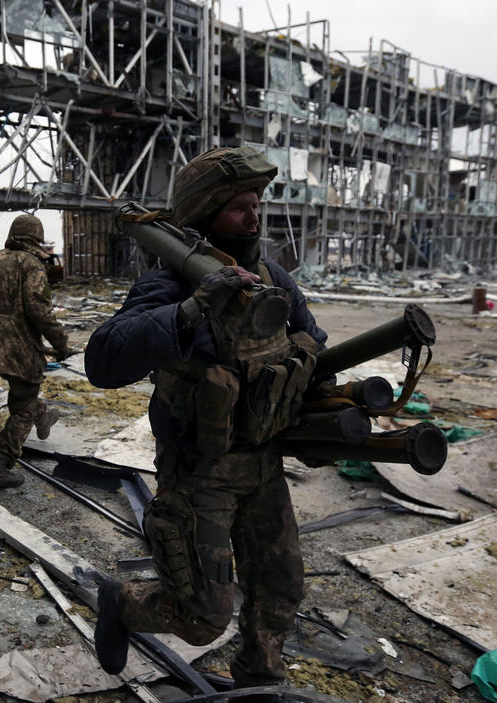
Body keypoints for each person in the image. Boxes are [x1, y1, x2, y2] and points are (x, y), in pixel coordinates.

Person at [84, 146, 328, 701]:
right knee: (201, 617)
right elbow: (102, 361)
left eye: (256, 203)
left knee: (280, 589)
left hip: (263, 465)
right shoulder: (172, 283)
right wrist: (193, 309)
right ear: (205, 213)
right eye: (240, 206)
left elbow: (312, 347)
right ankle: (121, 603)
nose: (254, 216)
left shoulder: (272, 280)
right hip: (199, 474)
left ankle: (260, 685)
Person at [0, 214, 69, 491]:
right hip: (19, 349)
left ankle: (44, 417)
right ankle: (0, 463)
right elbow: (39, 310)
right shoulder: (32, 264)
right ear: (36, 237)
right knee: (24, 406)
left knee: (24, 394)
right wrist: (62, 344)